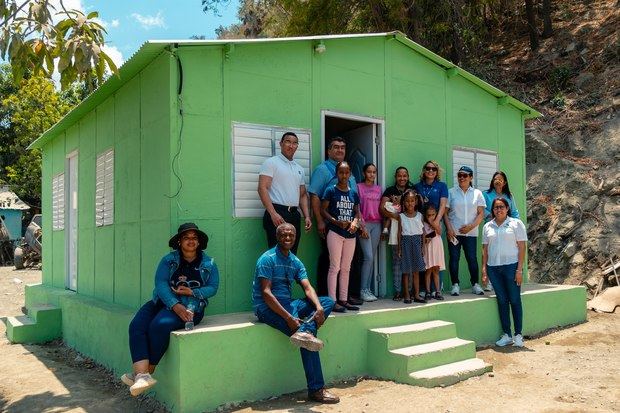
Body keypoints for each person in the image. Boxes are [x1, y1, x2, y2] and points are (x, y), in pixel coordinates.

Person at [122, 223, 219, 396]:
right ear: (179, 241)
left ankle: (143, 373)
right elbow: (160, 284)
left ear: (199, 242)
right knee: (136, 325)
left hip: (192, 308)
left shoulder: (209, 264)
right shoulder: (169, 260)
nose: (191, 241)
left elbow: (213, 287)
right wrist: (175, 304)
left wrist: (193, 292)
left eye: (194, 238)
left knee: (159, 325)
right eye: (186, 237)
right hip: (162, 302)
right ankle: (142, 376)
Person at [252, 223, 339, 404]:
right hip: (267, 308)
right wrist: (289, 318)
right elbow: (266, 294)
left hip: (289, 304)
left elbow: (307, 287)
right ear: (278, 237)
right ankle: (316, 389)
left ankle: (305, 331)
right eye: (284, 235)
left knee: (327, 302)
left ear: (295, 236)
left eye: (291, 235)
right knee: (308, 340)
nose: (288, 238)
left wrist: (319, 308)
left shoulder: (295, 261)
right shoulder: (266, 259)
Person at [308, 137, 360, 305]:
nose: (339, 150)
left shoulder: (350, 174)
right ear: (329, 150)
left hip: (350, 229)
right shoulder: (322, 170)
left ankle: (345, 297)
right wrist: (320, 221)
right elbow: (314, 196)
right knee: (329, 262)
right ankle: (327, 299)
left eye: (343, 147)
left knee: (348, 264)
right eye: (336, 147)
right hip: (332, 227)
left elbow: (355, 204)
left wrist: (359, 223)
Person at [481, 198, 528, 347]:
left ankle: (518, 335)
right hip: (494, 268)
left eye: (501, 207)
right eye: (495, 207)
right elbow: (485, 250)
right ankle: (507, 334)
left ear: (507, 208)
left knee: (514, 299)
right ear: (492, 210)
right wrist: (484, 269)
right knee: (502, 301)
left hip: (511, 266)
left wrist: (519, 270)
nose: (498, 210)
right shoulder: (488, 226)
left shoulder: (516, 224)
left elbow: (521, 247)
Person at [258, 132, 312, 254]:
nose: (291, 145)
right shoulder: (271, 163)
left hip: (294, 215)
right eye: (288, 142)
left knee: (292, 254)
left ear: (297, 146)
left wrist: (307, 216)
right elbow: (262, 188)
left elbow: (302, 194)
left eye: (294, 143)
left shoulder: (299, 168)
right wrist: (273, 214)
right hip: (277, 214)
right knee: (276, 255)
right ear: (281, 144)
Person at [321, 161, 361, 312]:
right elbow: (323, 210)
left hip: (350, 234)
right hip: (335, 233)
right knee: (334, 267)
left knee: (346, 268)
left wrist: (356, 222)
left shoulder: (354, 193)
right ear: (336, 174)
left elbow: (357, 211)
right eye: (341, 172)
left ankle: (344, 300)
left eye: (346, 172)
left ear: (350, 174)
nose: (344, 176)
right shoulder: (331, 191)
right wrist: (336, 222)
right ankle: (332, 301)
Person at [444, 166, 486, 297]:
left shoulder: (477, 193)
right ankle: (455, 285)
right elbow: (445, 213)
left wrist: (471, 226)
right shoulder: (451, 192)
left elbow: (481, 214)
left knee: (472, 259)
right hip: (454, 233)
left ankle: (475, 284)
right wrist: (449, 229)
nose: (462, 178)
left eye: (465, 175)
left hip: (470, 233)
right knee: (454, 258)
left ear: (471, 177)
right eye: (459, 175)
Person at [414, 160, 449, 293]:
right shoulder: (418, 186)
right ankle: (425, 289)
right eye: (428, 168)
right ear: (424, 170)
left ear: (437, 171)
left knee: (436, 256)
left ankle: (437, 288)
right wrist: (426, 222)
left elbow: (442, 205)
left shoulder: (442, 186)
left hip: (436, 223)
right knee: (424, 256)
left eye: (434, 169)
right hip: (422, 224)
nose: (430, 171)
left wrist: (436, 222)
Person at [482, 171, 520, 291]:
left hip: (507, 230)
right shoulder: (486, 194)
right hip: (492, 229)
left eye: (500, 179)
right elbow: (482, 210)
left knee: (505, 254)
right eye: (495, 179)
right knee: (490, 253)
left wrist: (515, 224)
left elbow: (514, 212)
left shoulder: (509, 196)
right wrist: (494, 218)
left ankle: (506, 281)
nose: (497, 181)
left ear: (505, 182)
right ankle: (489, 281)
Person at [380, 166, 414, 301]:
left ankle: (410, 291)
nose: (402, 178)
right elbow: (382, 209)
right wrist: (395, 216)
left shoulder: (412, 191)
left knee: (410, 263)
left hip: (410, 232)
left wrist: (401, 209)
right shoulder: (390, 191)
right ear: (395, 177)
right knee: (397, 262)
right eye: (399, 175)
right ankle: (398, 291)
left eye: (405, 175)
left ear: (408, 177)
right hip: (395, 233)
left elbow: (414, 208)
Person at [357, 163, 382, 302]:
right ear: (364, 173)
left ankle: (368, 289)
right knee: (368, 257)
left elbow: (382, 208)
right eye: (369, 172)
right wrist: (362, 226)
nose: (372, 174)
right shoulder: (359, 187)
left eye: (374, 172)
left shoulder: (379, 189)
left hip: (377, 225)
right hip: (365, 224)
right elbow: (357, 208)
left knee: (371, 258)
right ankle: (362, 290)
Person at [397, 190, 426, 304]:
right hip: (406, 243)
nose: (410, 203)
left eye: (412, 201)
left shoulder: (420, 215)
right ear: (404, 202)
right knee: (406, 271)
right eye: (407, 201)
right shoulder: (401, 216)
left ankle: (417, 294)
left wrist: (423, 247)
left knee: (416, 271)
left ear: (416, 201)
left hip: (417, 242)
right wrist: (399, 248)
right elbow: (399, 233)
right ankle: (407, 295)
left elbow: (423, 232)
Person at [422, 205, 445, 301]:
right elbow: (425, 238)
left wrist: (433, 223)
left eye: (433, 215)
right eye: (429, 215)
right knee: (428, 270)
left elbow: (439, 232)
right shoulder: (423, 224)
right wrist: (430, 235)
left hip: (437, 248)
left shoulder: (438, 222)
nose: (431, 217)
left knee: (436, 270)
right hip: (428, 249)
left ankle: (437, 291)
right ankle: (427, 291)